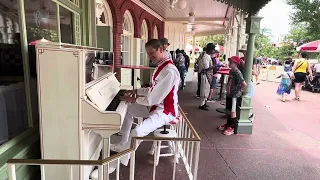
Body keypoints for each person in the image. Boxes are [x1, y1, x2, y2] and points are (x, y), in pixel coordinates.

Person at [110, 39, 181, 168]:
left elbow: (153, 98)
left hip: (166, 111)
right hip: (156, 106)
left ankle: (118, 163)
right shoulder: (161, 66)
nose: (150, 56)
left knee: (137, 132)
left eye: (152, 53)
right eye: (148, 54)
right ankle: (123, 143)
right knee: (128, 110)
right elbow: (152, 90)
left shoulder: (169, 71)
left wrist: (134, 98)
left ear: (161, 49)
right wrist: (135, 91)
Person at [217, 56, 247, 135]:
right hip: (229, 93)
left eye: (231, 62)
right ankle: (228, 124)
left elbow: (244, 84)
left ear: (236, 64)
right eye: (229, 62)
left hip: (234, 95)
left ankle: (231, 127)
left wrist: (239, 91)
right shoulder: (231, 71)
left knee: (233, 111)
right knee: (229, 110)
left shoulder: (237, 72)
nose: (229, 63)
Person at [198, 43, 216, 111]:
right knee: (204, 89)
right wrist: (214, 66)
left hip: (207, 75)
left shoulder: (207, 56)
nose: (213, 51)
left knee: (206, 89)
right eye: (213, 49)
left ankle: (204, 103)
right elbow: (206, 68)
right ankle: (202, 104)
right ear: (210, 50)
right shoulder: (206, 57)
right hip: (205, 75)